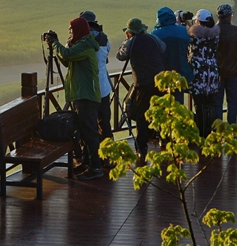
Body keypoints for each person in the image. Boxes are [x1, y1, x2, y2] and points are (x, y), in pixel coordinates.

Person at [48, 17, 103, 179]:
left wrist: (56, 43)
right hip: (82, 93)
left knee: (90, 132)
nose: (70, 32)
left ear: (78, 30)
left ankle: (95, 167)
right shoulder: (82, 44)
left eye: (71, 30)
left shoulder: (85, 45)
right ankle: (86, 162)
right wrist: (60, 45)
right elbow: (66, 60)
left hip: (87, 94)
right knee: (84, 131)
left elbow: (67, 54)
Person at [116, 18, 165, 165]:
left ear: (130, 32)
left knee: (141, 114)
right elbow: (163, 48)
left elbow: (120, 55)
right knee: (160, 111)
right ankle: (163, 137)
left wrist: (126, 41)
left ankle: (142, 147)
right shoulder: (153, 38)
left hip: (143, 83)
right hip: (159, 80)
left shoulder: (132, 42)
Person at [81, 11, 114, 142]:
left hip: (87, 90)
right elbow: (106, 56)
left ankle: (91, 155)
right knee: (104, 121)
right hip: (103, 87)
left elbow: (69, 55)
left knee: (88, 124)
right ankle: (109, 153)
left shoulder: (79, 39)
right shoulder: (103, 38)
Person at [188, 9, 221, 137]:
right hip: (212, 70)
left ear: (198, 21)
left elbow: (190, 41)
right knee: (211, 102)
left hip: (199, 71)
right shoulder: (215, 35)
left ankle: (201, 132)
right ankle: (211, 130)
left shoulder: (194, 36)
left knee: (199, 103)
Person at [153, 7, 193, 104]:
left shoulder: (155, 33)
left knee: (162, 104)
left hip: (162, 74)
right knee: (178, 104)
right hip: (180, 72)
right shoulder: (183, 31)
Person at [215, 4, 237, 125]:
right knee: (233, 101)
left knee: (217, 102)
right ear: (230, 16)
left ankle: (218, 127)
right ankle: (233, 126)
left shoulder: (214, 30)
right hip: (233, 71)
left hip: (217, 72)